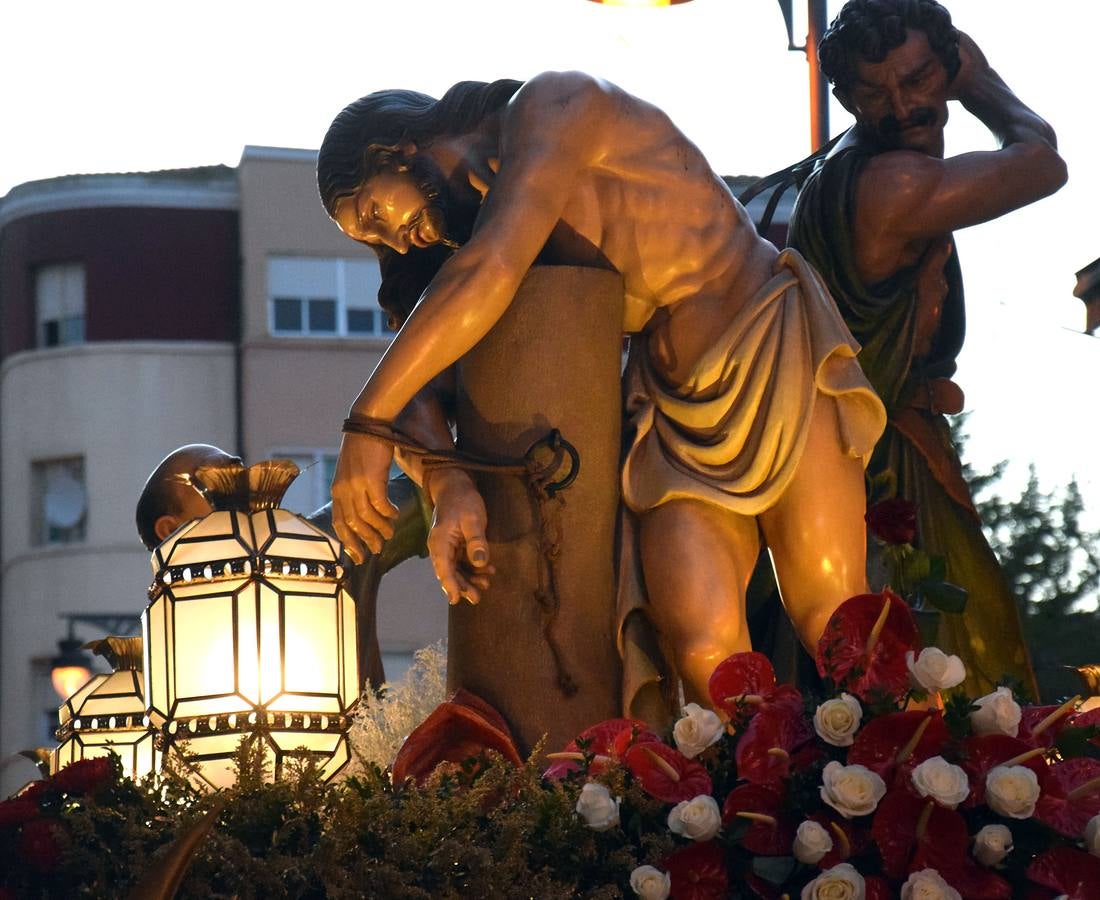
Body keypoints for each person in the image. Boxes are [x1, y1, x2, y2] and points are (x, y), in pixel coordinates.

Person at [318, 73, 887, 706]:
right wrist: (446, 482)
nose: (396, 241)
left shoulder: (555, 105)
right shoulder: (478, 226)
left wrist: (363, 424)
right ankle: (751, 800)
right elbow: (417, 380)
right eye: (377, 241)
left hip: (765, 337)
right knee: (701, 650)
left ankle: (935, 781)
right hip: (666, 406)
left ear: (396, 150)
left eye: (376, 215)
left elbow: (492, 269)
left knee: (836, 622)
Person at [785, 0, 1066, 697]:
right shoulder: (895, 183)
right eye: (874, 93)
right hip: (881, 472)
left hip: (859, 451)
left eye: (917, 81)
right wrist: (975, 81)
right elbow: (1041, 161)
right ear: (845, 98)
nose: (903, 107)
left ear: (938, 65)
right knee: (952, 669)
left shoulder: (846, 168)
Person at [135, 443, 428, 692]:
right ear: (170, 530)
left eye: (239, 472)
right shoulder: (167, 647)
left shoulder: (320, 548)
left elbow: (421, 493)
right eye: (215, 481)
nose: (243, 481)